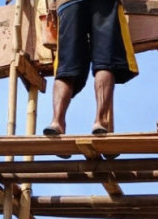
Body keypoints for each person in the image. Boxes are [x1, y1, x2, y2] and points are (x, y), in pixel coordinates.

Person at [43, 0, 139, 136]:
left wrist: (52, 8)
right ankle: (100, 121)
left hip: (68, 3)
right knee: (105, 62)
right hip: (104, 4)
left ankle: (57, 122)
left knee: (66, 67)